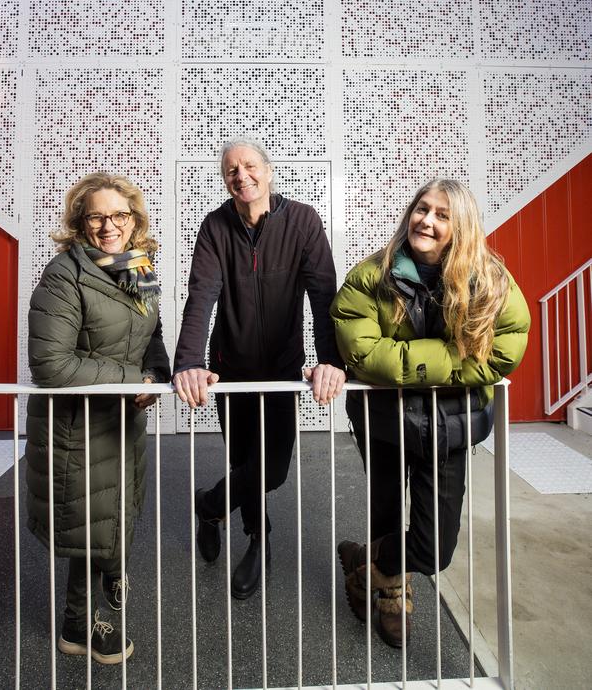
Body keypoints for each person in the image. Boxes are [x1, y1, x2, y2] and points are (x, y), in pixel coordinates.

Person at [330, 179, 530, 647]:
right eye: (422, 209)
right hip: (384, 420)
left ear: (460, 226)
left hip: (450, 426)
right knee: (384, 507)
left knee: (434, 547)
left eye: (442, 214)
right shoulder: (372, 276)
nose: (427, 220)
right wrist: (454, 356)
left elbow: (504, 350)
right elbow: (362, 353)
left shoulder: (491, 279)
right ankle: (391, 595)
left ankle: (366, 567)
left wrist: (407, 361)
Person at [173, 138, 346, 599]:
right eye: (231, 170)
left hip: (281, 369)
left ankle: (210, 506)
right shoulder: (214, 227)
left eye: (250, 166)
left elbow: (322, 295)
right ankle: (257, 539)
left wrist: (329, 361)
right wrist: (189, 362)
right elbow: (201, 297)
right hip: (229, 369)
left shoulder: (303, 221)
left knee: (272, 471)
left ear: (268, 172)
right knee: (244, 461)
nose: (241, 176)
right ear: (224, 180)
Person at [26, 172, 171, 664]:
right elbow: (51, 364)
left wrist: (156, 374)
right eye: (97, 217)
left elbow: (151, 335)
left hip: (122, 423)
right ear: (80, 222)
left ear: (134, 219)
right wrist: (135, 378)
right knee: (95, 529)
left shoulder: (139, 268)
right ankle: (97, 629)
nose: (109, 226)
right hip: (77, 428)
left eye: (119, 215)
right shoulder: (64, 273)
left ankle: (77, 627)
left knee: (112, 521)